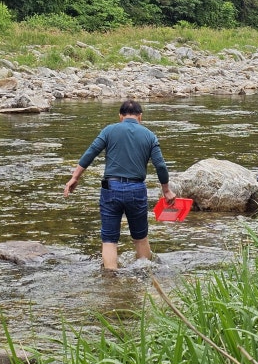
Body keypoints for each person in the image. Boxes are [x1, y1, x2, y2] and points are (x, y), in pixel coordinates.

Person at [63, 99, 177, 270]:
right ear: (140, 117)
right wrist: (166, 190)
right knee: (140, 237)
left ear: (120, 116)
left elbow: (91, 152)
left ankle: (111, 279)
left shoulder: (110, 130)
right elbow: (160, 165)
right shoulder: (149, 135)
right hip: (136, 190)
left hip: (111, 188)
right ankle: (145, 274)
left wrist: (75, 177)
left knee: (109, 239)